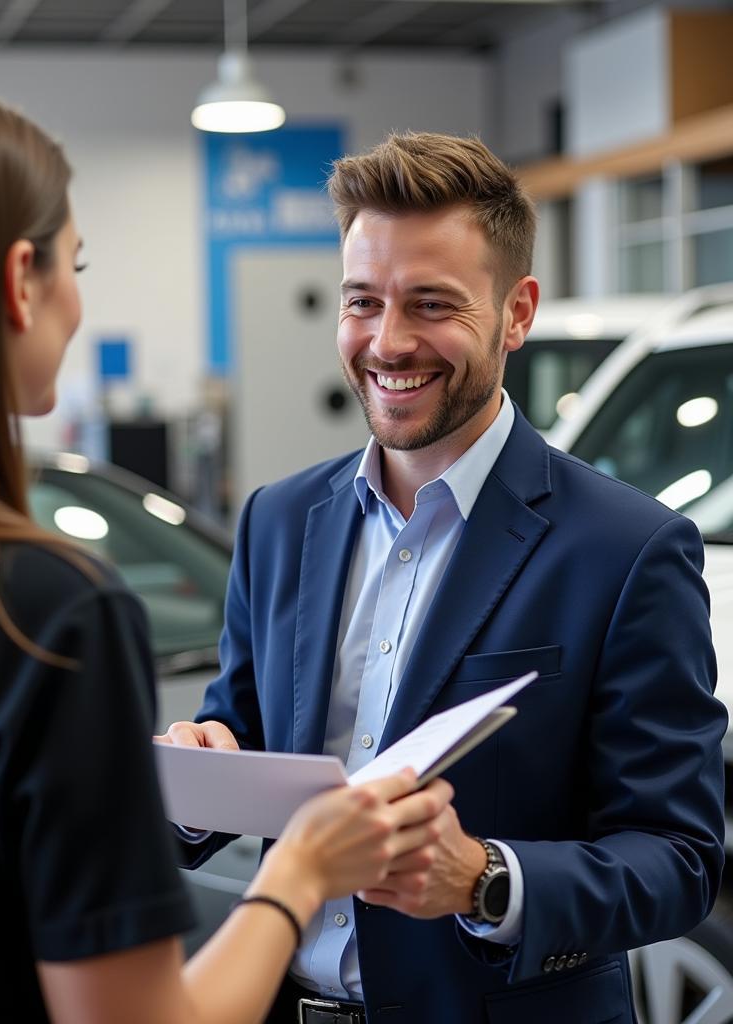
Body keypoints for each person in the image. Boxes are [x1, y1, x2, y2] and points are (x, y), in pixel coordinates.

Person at [0, 85, 454, 1024]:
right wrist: (301, 872)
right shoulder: (45, 611)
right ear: (21, 279)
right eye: (77, 262)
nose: (75, 297)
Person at [162, 132, 727, 1023]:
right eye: (362, 302)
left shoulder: (629, 550)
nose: (388, 343)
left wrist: (487, 882)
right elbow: (242, 732)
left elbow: (681, 857)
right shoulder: (279, 520)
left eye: (431, 304)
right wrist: (195, 783)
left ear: (518, 311)